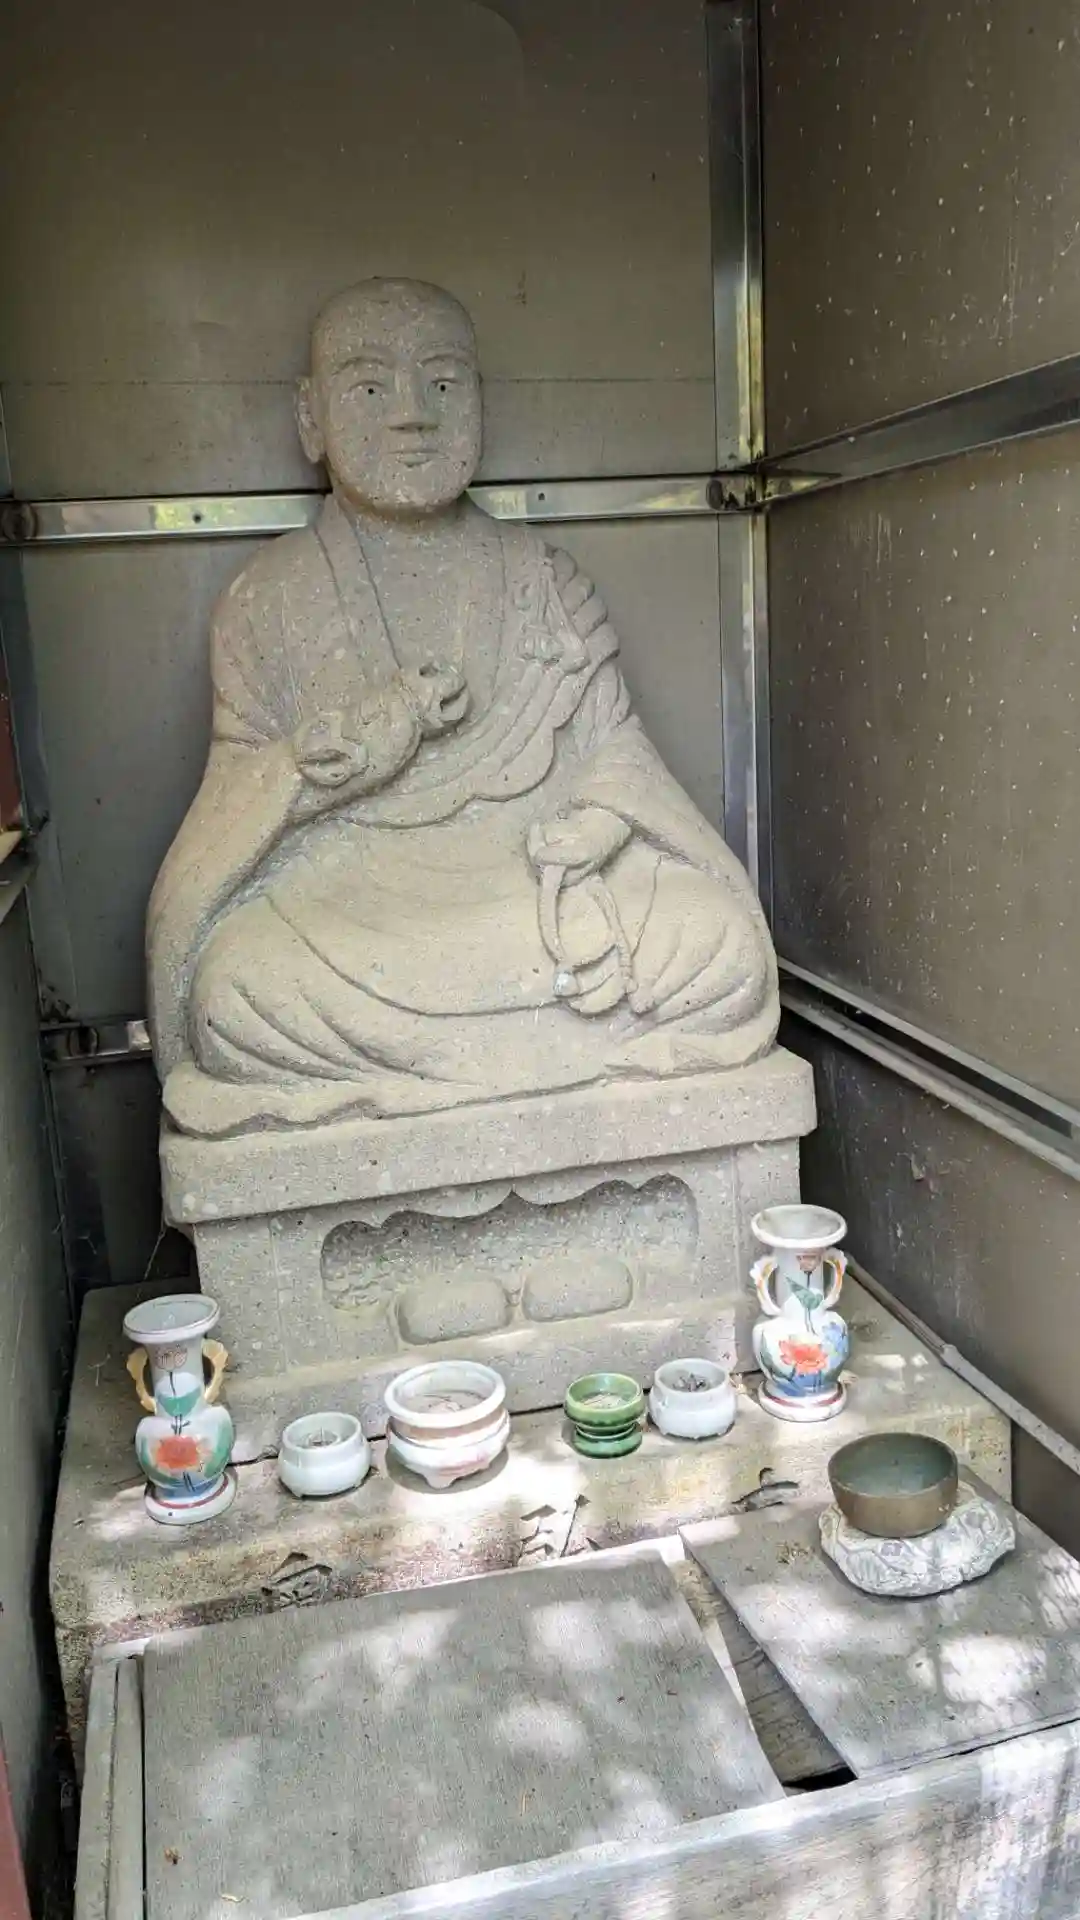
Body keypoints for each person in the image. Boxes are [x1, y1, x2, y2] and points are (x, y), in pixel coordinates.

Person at [148, 279, 778, 1135]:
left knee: (718, 945)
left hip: (541, 891)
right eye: (371, 388)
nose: (414, 415)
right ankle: (528, 1054)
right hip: (356, 907)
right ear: (310, 417)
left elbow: (614, 749)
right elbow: (237, 804)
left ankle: (455, 1060)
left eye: (443, 382)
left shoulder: (544, 580)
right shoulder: (266, 602)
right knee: (234, 988)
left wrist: (599, 826)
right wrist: (329, 762)